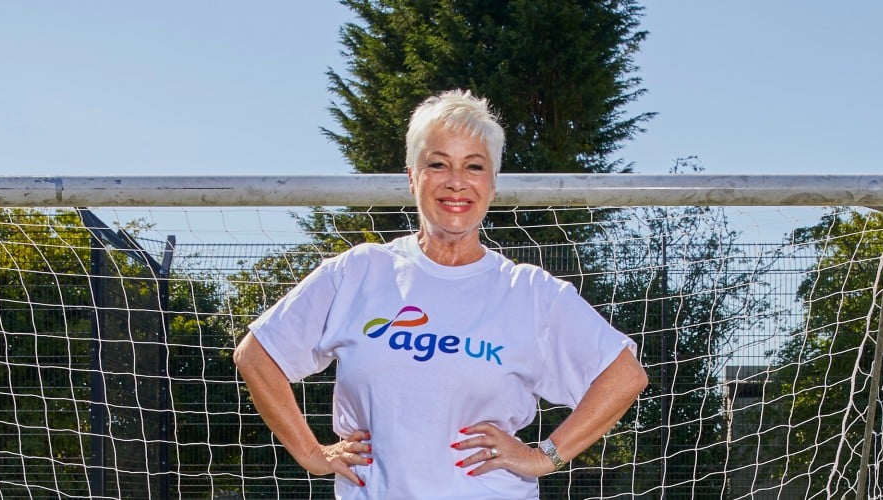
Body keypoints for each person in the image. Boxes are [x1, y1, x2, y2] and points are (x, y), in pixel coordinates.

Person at [234, 89, 649, 499]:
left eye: (473, 166)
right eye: (437, 164)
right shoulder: (360, 271)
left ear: (492, 182)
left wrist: (545, 457)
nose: (456, 183)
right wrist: (311, 452)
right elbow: (256, 355)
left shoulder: (529, 292)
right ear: (413, 176)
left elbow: (625, 376)